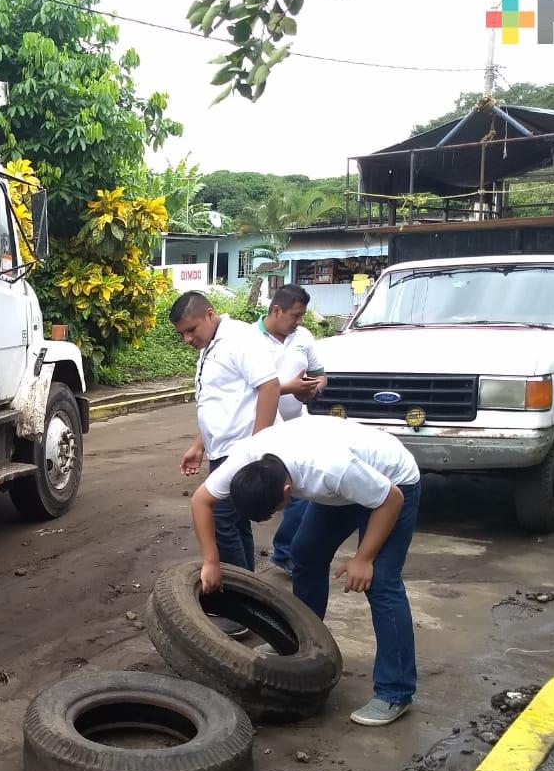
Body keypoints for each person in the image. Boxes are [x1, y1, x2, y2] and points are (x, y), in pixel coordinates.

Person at [190, 415, 421, 727]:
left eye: (275, 511)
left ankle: (396, 692)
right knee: (305, 555)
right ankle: (300, 642)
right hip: (346, 487)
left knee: (380, 581)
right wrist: (211, 561)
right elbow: (201, 501)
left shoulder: (328, 468)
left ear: (288, 489)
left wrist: (363, 558)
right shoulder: (244, 462)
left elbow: (390, 499)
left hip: (393, 483)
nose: (276, 515)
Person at [171, 289, 281, 574]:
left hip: (243, 450)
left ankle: (239, 598)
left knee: (219, 519)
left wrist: (256, 449)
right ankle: (250, 591)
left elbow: (269, 387)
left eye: (191, 329)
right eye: (182, 333)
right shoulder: (210, 345)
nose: (187, 339)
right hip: (223, 450)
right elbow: (218, 402)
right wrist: (199, 445)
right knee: (235, 521)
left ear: (210, 314)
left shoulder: (239, 338)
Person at [255, 285, 327, 575]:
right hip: (263, 428)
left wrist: (312, 390)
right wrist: (288, 388)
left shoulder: (304, 337)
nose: (298, 321)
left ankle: (284, 552)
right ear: (276, 310)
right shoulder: (249, 338)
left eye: (302, 315)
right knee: (270, 493)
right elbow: (251, 388)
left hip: (297, 428)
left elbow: (321, 375)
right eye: (295, 315)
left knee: (300, 493)